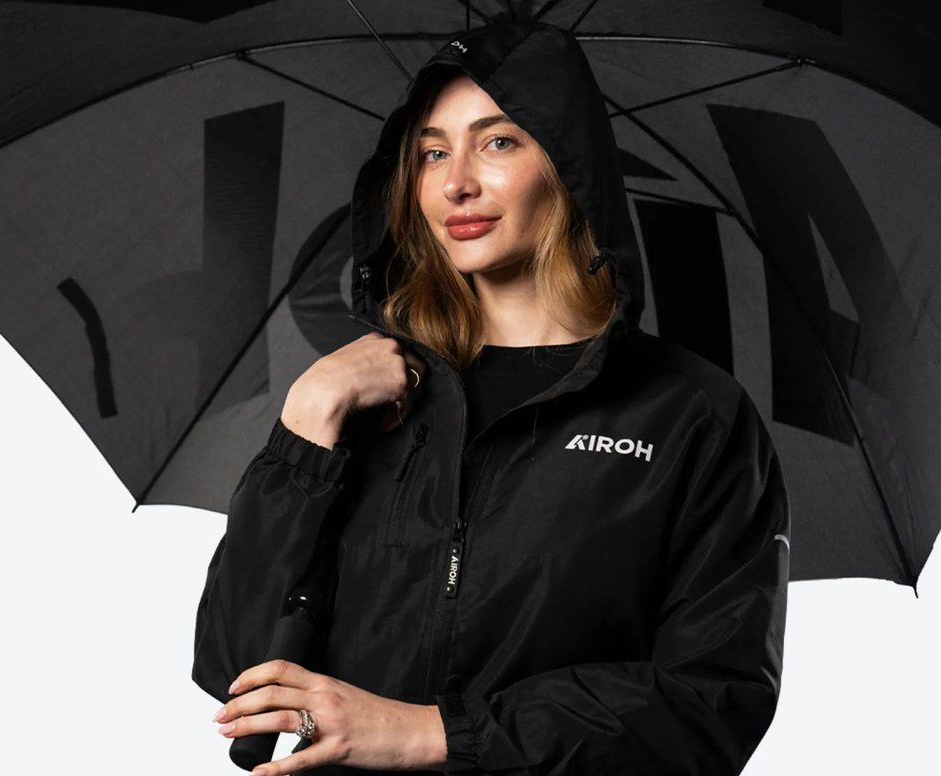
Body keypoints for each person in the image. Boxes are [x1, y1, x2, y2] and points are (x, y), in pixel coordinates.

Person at [192, 15, 790, 776]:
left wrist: (434, 734)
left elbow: (711, 705)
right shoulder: (360, 398)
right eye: (432, 152)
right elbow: (235, 669)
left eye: (499, 141)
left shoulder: (689, 415)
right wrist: (305, 428)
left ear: (569, 164)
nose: (456, 183)